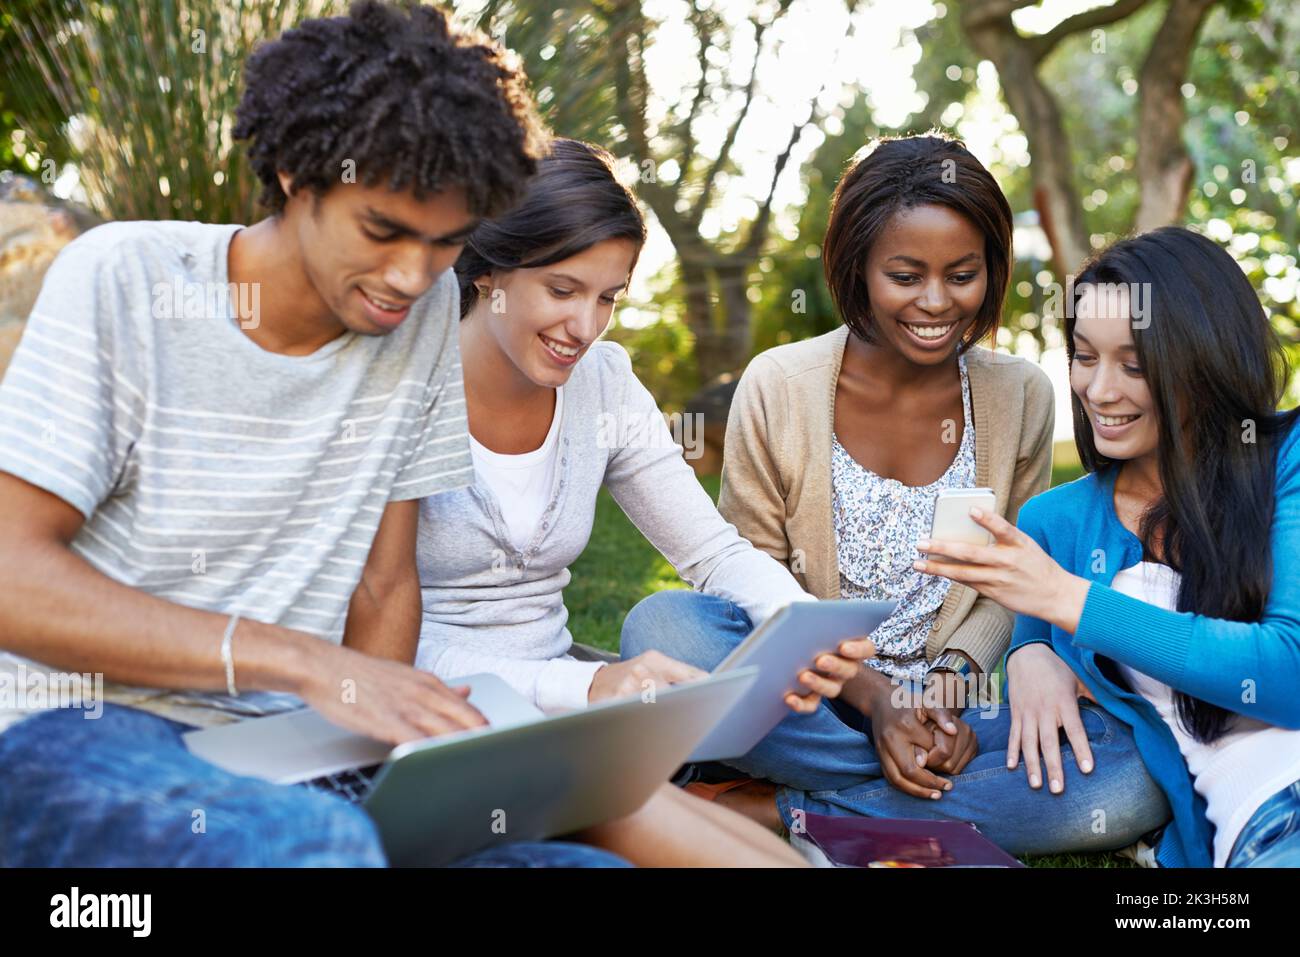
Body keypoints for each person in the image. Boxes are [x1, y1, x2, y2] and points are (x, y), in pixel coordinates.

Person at [0, 0, 625, 868]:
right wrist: (299, 663)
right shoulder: (125, 277)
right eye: (383, 229)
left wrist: (392, 747)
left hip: (298, 747)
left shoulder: (428, 313)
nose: (411, 276)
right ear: (299, 175)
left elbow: (382, 582)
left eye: (446, 243)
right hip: (68, 734)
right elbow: (13, 580)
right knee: (315, 848)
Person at [623, 134, 1169, 857]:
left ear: (992, 269)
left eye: (963, 274)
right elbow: (748, 581)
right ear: (858, 267)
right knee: (665, 627)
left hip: (955, 710)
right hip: (806, 698)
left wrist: (946, 688)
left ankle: (770, 808)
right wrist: (874, 699)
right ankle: (901, 789)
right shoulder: (779, 385)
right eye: (906, 275)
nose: (937, 302)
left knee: (1132, 770)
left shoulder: (1020, 396)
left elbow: (1011, 578)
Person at [414, 138, 875, 865]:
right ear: (490, 268)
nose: (585, 326)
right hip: (441, 711)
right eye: (563, 290)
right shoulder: (406, 383)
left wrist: (800, 623)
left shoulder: (602, 381)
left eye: (608, 297)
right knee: (645, 815)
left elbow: (712, 550)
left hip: (571, 709)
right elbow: (374, 640)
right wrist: (586, 683)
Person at [918, 226, 1300, 868]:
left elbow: (1286, 675)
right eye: (1084, 355)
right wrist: (1030, 652)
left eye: (1135, 364)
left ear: (1206, 360)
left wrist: (1066, 600)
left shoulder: (1286, 458)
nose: (1098, 391)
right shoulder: (1055, 520)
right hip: (1261, 834)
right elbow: (1034, 649)